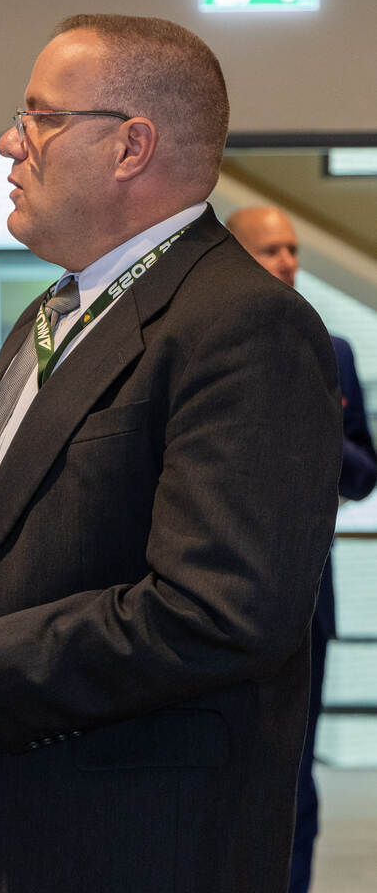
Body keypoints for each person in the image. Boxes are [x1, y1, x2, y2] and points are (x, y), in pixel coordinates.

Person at [0, 15, 342, 892]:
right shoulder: (60, 307)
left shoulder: (245, 325)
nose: (8, 144)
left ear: (130, 147)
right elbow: (65, 509)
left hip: (112, 839)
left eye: (40, 118)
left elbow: (221, 612)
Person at [226, 204, 377, 893]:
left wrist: (317, 429)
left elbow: (363, 473)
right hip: (209, 598)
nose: (286, 262)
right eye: (268, 251)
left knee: (295, 777)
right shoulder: (207, 346)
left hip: (307, 603)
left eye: (291, 249)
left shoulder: (335, 352)